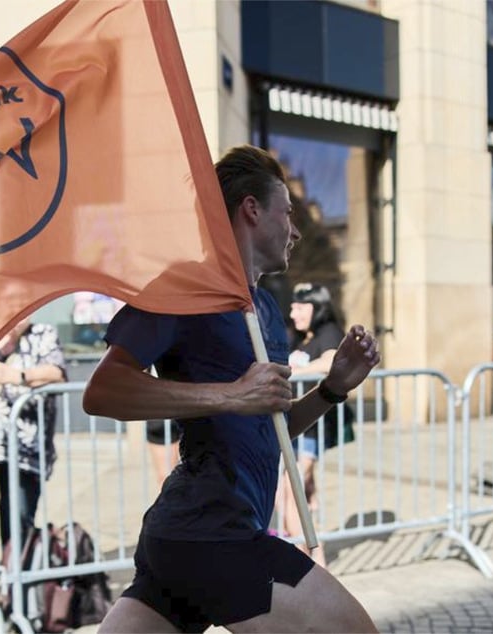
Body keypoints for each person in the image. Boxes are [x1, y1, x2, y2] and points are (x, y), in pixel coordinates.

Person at [83, 145, 380, 633]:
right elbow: (102, 391)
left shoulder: (263, 309)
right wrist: (229, 394)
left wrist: (331, 389)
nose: (297, 230)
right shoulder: (183, 289)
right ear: (252, 209)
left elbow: (273, 431)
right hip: (208, 531)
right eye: (288, 212)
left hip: (195, 538)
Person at [0, 318, 67, 571]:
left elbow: (58, 375)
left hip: (23, 452)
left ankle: (15, 589)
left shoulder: (42, 333)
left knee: (17, 522)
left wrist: (18, 376)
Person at [280, 282, 352, 568]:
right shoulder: (301, 337)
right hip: (297, 423)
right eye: (293, 306)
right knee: (298, 490)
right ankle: (305, 552)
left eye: (300, 306)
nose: (293, 312)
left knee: (288, 490)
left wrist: (298, 371)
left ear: (316, 307)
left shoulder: (329, 332)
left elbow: (332, 361)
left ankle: (314, 561)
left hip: (315, 425)